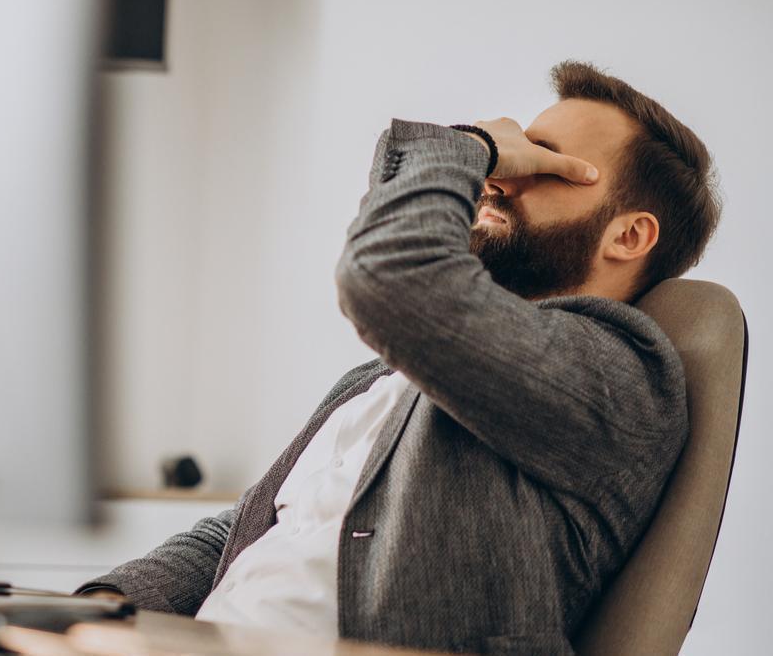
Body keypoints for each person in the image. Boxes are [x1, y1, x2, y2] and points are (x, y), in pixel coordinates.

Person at [77, 61, 720, 655]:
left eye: (545, 163)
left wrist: (469, 145)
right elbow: (252, 531)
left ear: (629, 235)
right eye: (512, 153)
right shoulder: (383, 379)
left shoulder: (619, 377)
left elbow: (389, 276)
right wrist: (98, 608)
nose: (498, 177)